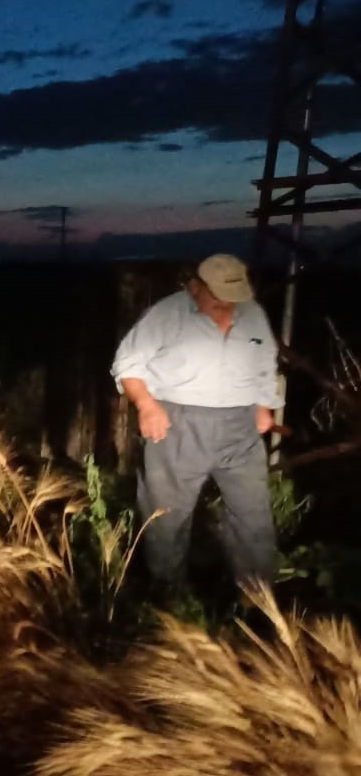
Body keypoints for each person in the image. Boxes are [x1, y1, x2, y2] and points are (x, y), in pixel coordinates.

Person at [111, 253, 282, 596]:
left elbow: (266, 362)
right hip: (178, 425)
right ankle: (167, 593)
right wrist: (146, 405)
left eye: (235, 300)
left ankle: (258, 598)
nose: (229, 309)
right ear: (196, 287)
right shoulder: (167, 314)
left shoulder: (252, 313)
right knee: (167, 515)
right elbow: (126, 364)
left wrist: (265, 406)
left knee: (253, 514)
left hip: (240, 426)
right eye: (220, 300)